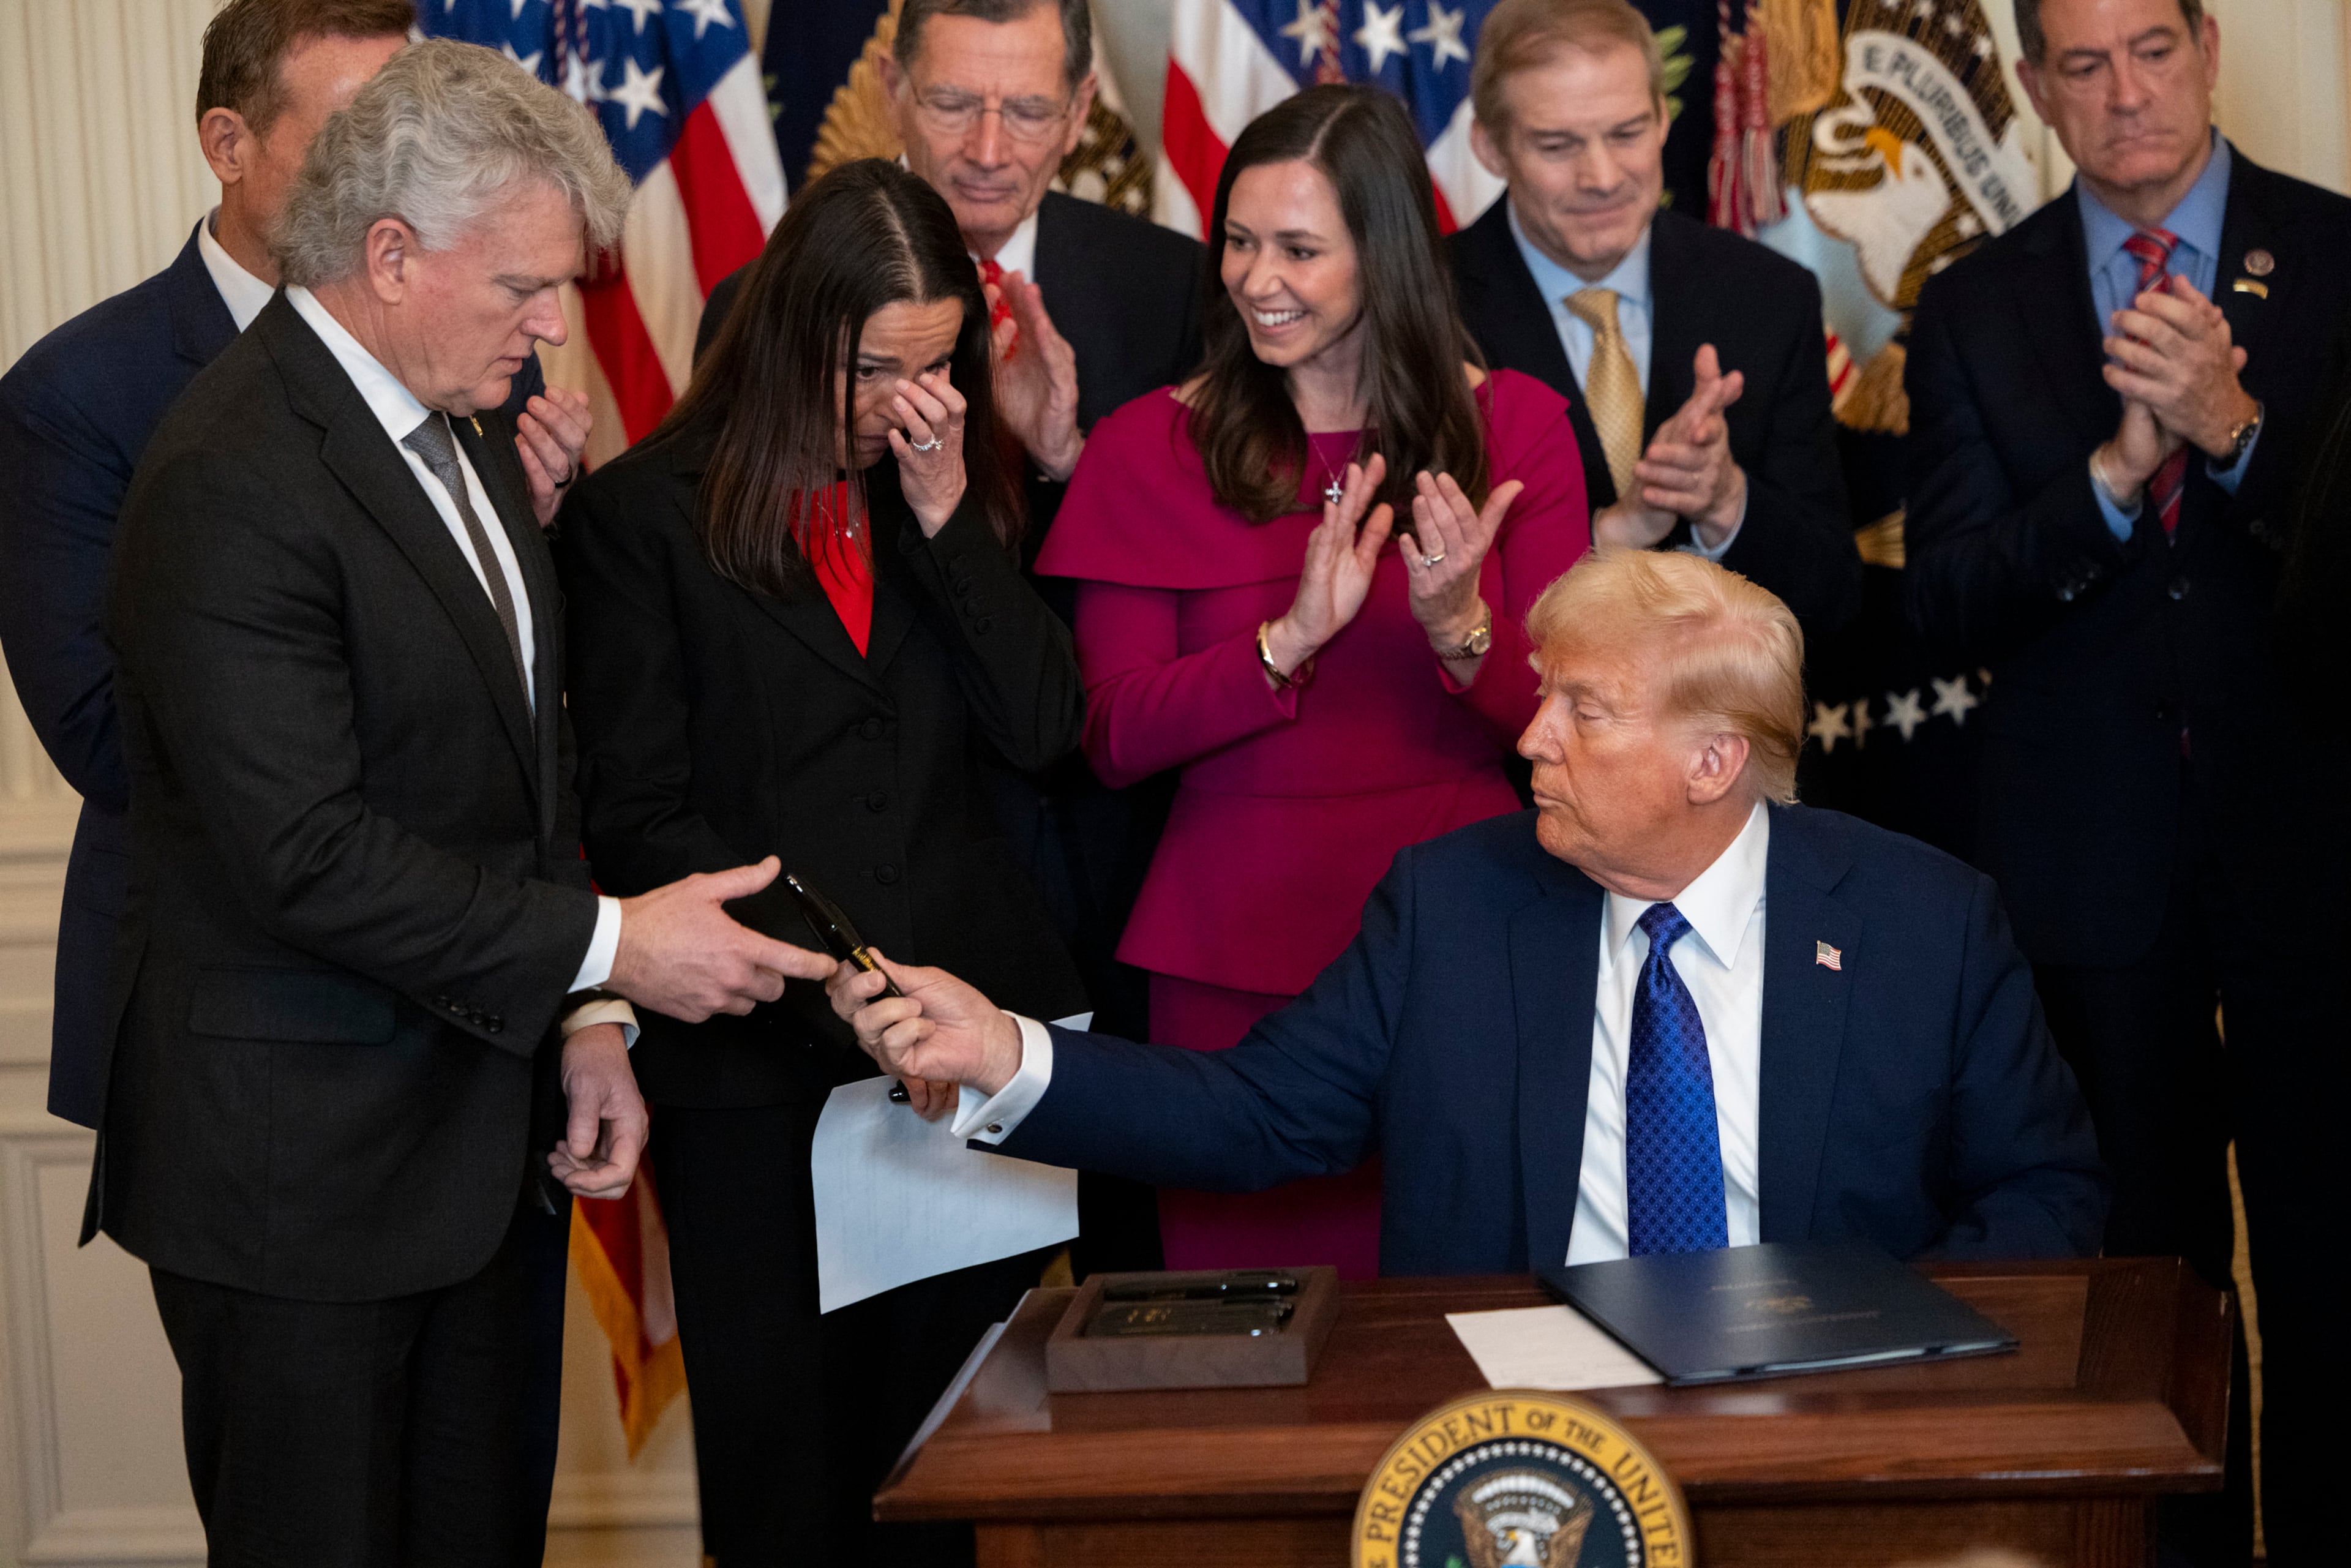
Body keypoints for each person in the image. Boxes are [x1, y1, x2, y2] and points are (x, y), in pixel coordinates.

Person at [91, 42, 827, 1564]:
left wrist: (585, 1021)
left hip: (482, 1156)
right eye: (526, 288)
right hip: (299, 1189)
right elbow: (304, 851)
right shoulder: (229, 469)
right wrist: (616, 948)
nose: (557, 326)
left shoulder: (473, 436)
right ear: (390, 255)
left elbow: (528, 772)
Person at [830, 550, 2108, 1275]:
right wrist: (1008, 1049)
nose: (1534, 736)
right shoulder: (1451, 900)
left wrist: (1898, 1346)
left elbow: (2045, 1188)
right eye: (1545, 695)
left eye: (1585, 710)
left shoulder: (1923, 922)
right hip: (1510, 1431)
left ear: (1713, 760)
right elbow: (1259, 1111)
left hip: (1826, 1418)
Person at [557, 159, 1088, 1568]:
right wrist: (840, 983)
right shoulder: (641, 519)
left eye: (935, 366)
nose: (906, 400)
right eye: (875, 371)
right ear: (796, 335)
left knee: (973, 1474)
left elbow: (1043, 729)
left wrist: (944, 509)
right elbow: (645, 811)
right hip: (763, 1079)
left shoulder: (938, 482)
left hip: (968, 1061)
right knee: (792, 1479)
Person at [1903, 1, 2351, 1559]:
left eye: (2150, 50)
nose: (2123, 93)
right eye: (2080, 65)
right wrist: (2106, 480)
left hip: (2313, 869)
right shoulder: (1970, 305)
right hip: (2091, 886)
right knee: (2140, 1294)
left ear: (2208, 48)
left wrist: (2230, 433)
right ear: (2030, 86)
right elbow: (1944, 592)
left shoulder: (2340, 257)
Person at [0, 0, 592, 1134]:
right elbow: (102, 731)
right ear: (229, 144)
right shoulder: (75, 397)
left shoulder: (470, 350)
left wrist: (525, 525)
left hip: (464, 1013)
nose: (394, 169)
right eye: (360, 133)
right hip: (247, 1030)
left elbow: (498, 668)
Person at [1032, 84, 1589, 1281]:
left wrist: (1462, 633)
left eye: (1298, 248)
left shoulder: (1521, 426)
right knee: (1252, 1344)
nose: (1254, 276)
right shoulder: (1146, 445)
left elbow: (1570, 712)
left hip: (1475, 928)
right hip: (1232, 951)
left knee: (1477, 1302)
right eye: (1239, 240)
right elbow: (1113, 733)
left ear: (1384, 255)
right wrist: (1282, 642)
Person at [698, 0, 1204, 1051]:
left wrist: (1066, 460)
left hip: (1102, 852)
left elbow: (1188, 581)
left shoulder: (1173, 289)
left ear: (1079, 112)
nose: (985, 149)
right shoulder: (761, 304)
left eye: (1024, 110)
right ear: (890, 88)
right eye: (952, 103)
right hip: (873, 878)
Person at [1450, 0, 1861, 639]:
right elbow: (1410, 613)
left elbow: (1832, 598)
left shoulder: (1769, 297)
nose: (1603, 177)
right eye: (1558, 145)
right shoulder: (1423, 309)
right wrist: (1606, 535)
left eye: (1627, 133)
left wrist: (1726, 502)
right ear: (1490, 146)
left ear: (1665, 118)